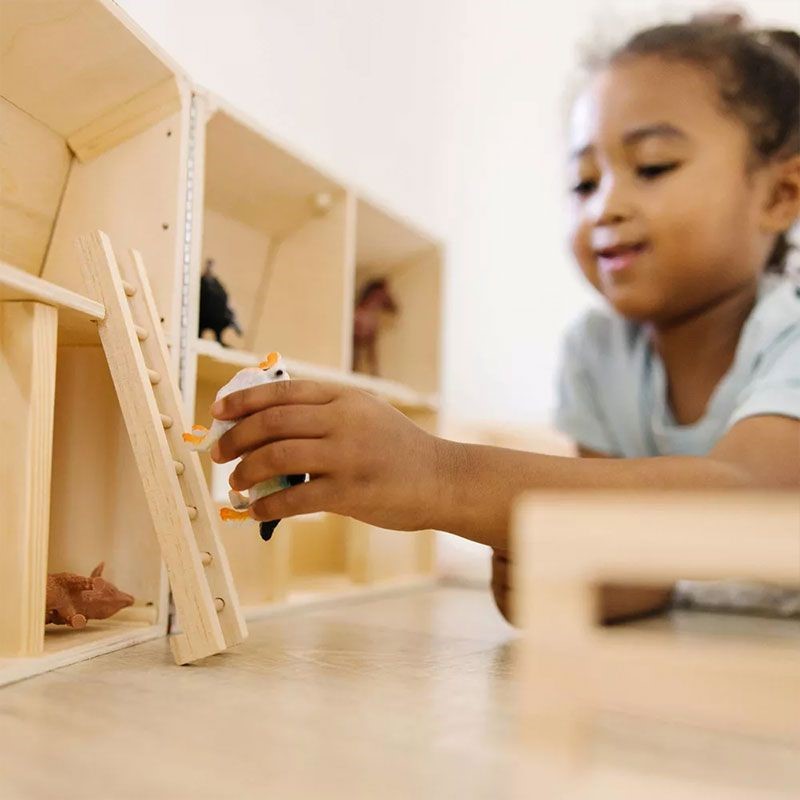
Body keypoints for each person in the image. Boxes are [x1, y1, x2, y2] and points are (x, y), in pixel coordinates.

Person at [208, 16, 800, 624]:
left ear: (780, 196)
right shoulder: (598, 352)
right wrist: (562, 575)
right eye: (584, 182)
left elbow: (757, 500)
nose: (605, 207)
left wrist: (440, 475)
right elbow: (628, 552)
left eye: (652, 166)